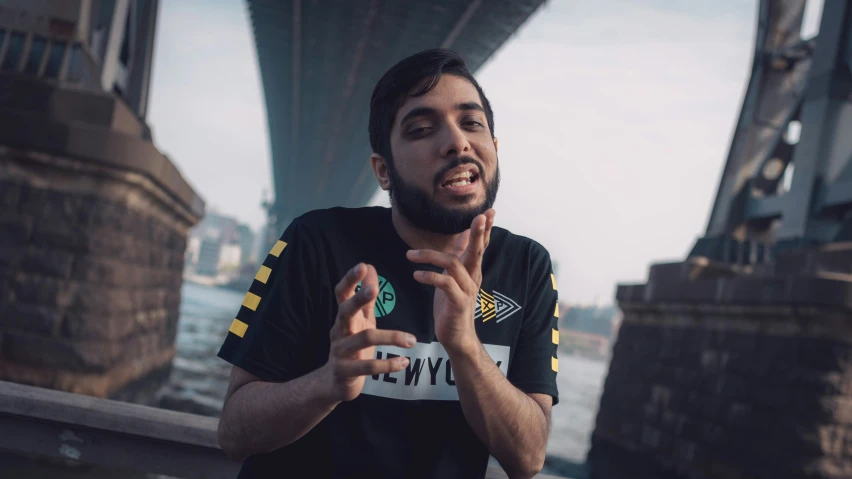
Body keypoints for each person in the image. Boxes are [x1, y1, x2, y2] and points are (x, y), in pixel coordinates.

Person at [216, 48, 559, 479]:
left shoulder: (527, 266)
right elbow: (233, 432)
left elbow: (527, 459)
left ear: (494, 147)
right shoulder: (316, 242)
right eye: (421, 129)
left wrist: (465, 345)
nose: (457, 141)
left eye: (472, 122)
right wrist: (328, 384)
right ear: (383, 171)